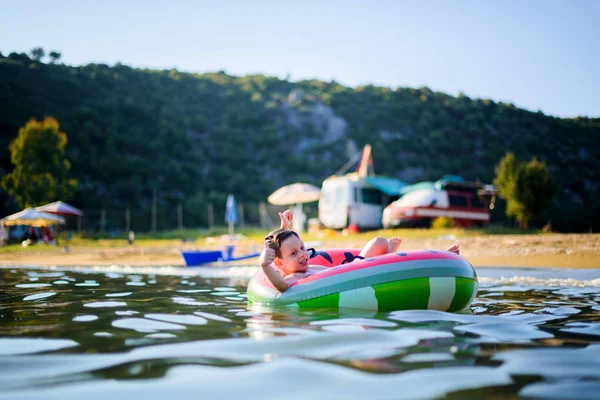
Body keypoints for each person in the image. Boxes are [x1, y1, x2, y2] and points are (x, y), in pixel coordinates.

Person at [259, 209, 459, 293]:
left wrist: (284, 227)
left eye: (302, 248)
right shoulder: (292, 279)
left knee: (378, 240)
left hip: (352, 268)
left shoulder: (296, 264)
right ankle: (439, 260)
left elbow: (278, 246)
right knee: (381, 247)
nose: (303, 254)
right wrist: (264, 265)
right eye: (294, 254)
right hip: (354, 276)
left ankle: (435, 258)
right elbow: (282, 286)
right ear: (279, 264)